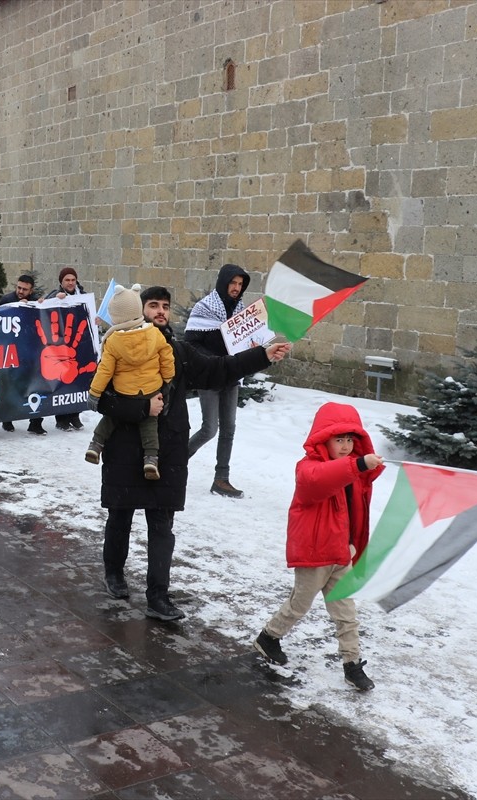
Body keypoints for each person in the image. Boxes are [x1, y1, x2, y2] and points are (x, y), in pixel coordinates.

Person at [98, 285, 290, 620]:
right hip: (126, 449)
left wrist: (262, 355)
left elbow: (219, 369)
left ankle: (158, 596)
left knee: (162, 526)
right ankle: (114, 572)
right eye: (153, 305)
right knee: (120, 517)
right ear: (137, 311)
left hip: (169, 451)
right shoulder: (116, 348)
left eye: (165, 306)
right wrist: (142, 408)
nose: (160, 311)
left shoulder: (179, 351)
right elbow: (101, 399)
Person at [254, 402, 384, 691]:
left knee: (346, 612)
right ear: (323, 439)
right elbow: (320, 480)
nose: (347, 445)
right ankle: (269, 636)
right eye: (339, 439)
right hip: (314, 553)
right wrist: (358, 464)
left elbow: (356, 502)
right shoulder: (308, 468)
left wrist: (351, 543)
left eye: (351, 439)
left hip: (341, 553)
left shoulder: (353, 472)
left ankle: (352, 664)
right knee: (299, 604)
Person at [84, 286, 175, 480]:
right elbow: (167, 357)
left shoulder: (113, 341)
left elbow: (105, 371)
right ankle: (151, 459)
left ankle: (96, 445)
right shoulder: (155, 334)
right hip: (151, 389)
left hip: (124, 391)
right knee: (150, 424)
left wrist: (95, 392)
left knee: (110, 418)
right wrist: (167, 379)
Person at [184, 264, 252, 498]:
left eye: (240, 284)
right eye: (233, 283)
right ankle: (175, 462)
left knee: (229, 429)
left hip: (231, 377)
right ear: (223, 282)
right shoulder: (204, 308)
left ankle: (221, 479)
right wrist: (214, 360)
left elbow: (244, 342)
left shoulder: (242, 312)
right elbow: (191, 342)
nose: (236, 288)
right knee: (209, 429)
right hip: (210, 376)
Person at [0, 276, 47, 435]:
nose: (20, 291)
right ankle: (7, 419)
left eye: (24, 289)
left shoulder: (36, 301)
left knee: (37, 386)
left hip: (31, 351)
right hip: (10, 351)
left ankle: (36, 422)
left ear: (31, 290)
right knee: (10, 387)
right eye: (18, 288)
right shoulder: (7, 299)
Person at [51, 266, 87, 431]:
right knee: (63, 380)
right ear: (61, 282)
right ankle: (62, 418)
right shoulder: (55, 294)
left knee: (78, 380)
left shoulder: (83, 295)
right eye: (67, 280)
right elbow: (44, 306)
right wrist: (55, 299)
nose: (71, 283)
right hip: (62, 344)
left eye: (73, 280)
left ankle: (75, 415)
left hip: (79, 343)